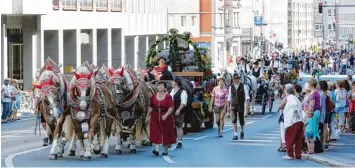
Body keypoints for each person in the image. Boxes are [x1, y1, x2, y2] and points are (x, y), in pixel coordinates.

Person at [146, 81, 176, 156]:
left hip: (165, 116)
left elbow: (171, 107)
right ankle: (156, 150)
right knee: (155, 131)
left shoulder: (168, 97)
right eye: (158, 85)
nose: (160, 87)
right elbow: (150, 107)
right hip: (155, 115)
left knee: (166, 132)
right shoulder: (153, 96)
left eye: (162, 85)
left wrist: (166, 115)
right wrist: (147, 116)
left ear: (164, 87)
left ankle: (166, 149)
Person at [282, 84, 303, 159]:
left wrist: (295, 112)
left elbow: (294, 105)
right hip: (300, 121)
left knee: (289, 138)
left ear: (286, 91)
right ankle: (298, 155)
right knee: (298, 140)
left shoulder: (290, 98)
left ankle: (290, 154)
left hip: (293, 121)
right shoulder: (296, 98)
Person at [227, 73, 250, 140]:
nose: (236, 80)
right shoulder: (231, 87)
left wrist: (248, 104)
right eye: (235, 79)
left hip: (241, 105)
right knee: (234, 119)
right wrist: (228, 107)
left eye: (237, 79)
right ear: (233, 80)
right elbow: (229, 97)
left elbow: (247, 96)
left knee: (241, 120)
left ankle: (242, 130)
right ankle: (235, 134)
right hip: (233, 105)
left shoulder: (244, 86)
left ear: (239, 79)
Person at [170, 78, 188, 148]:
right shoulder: (172, 91)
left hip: (179, 111)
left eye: (173, 82)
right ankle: (171, 141)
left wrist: (178, 110)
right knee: (171, 126)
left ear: (176, 83)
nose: (172, 83)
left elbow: (183, 103)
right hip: (171, 111)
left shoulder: (183, 92)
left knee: (179, 126)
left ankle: (179, 142)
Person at [305, 78, 322, 153]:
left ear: (311, 84)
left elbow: (312, 104)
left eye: (308, 83)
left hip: (313, 113)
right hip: (316, 112)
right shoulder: (316, 92)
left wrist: (308, 113)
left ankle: (312, 149)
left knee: (311, 131)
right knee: (315, 131)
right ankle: (318, 148)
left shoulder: (313, 93)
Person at [319, 80, 331, 149]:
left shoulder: (321, 94)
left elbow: (320, 105)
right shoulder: (328, 93)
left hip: (323, 111)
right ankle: (325, 142)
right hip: (327, 111)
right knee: (326, 127)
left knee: (323, 127)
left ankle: (322, 143)